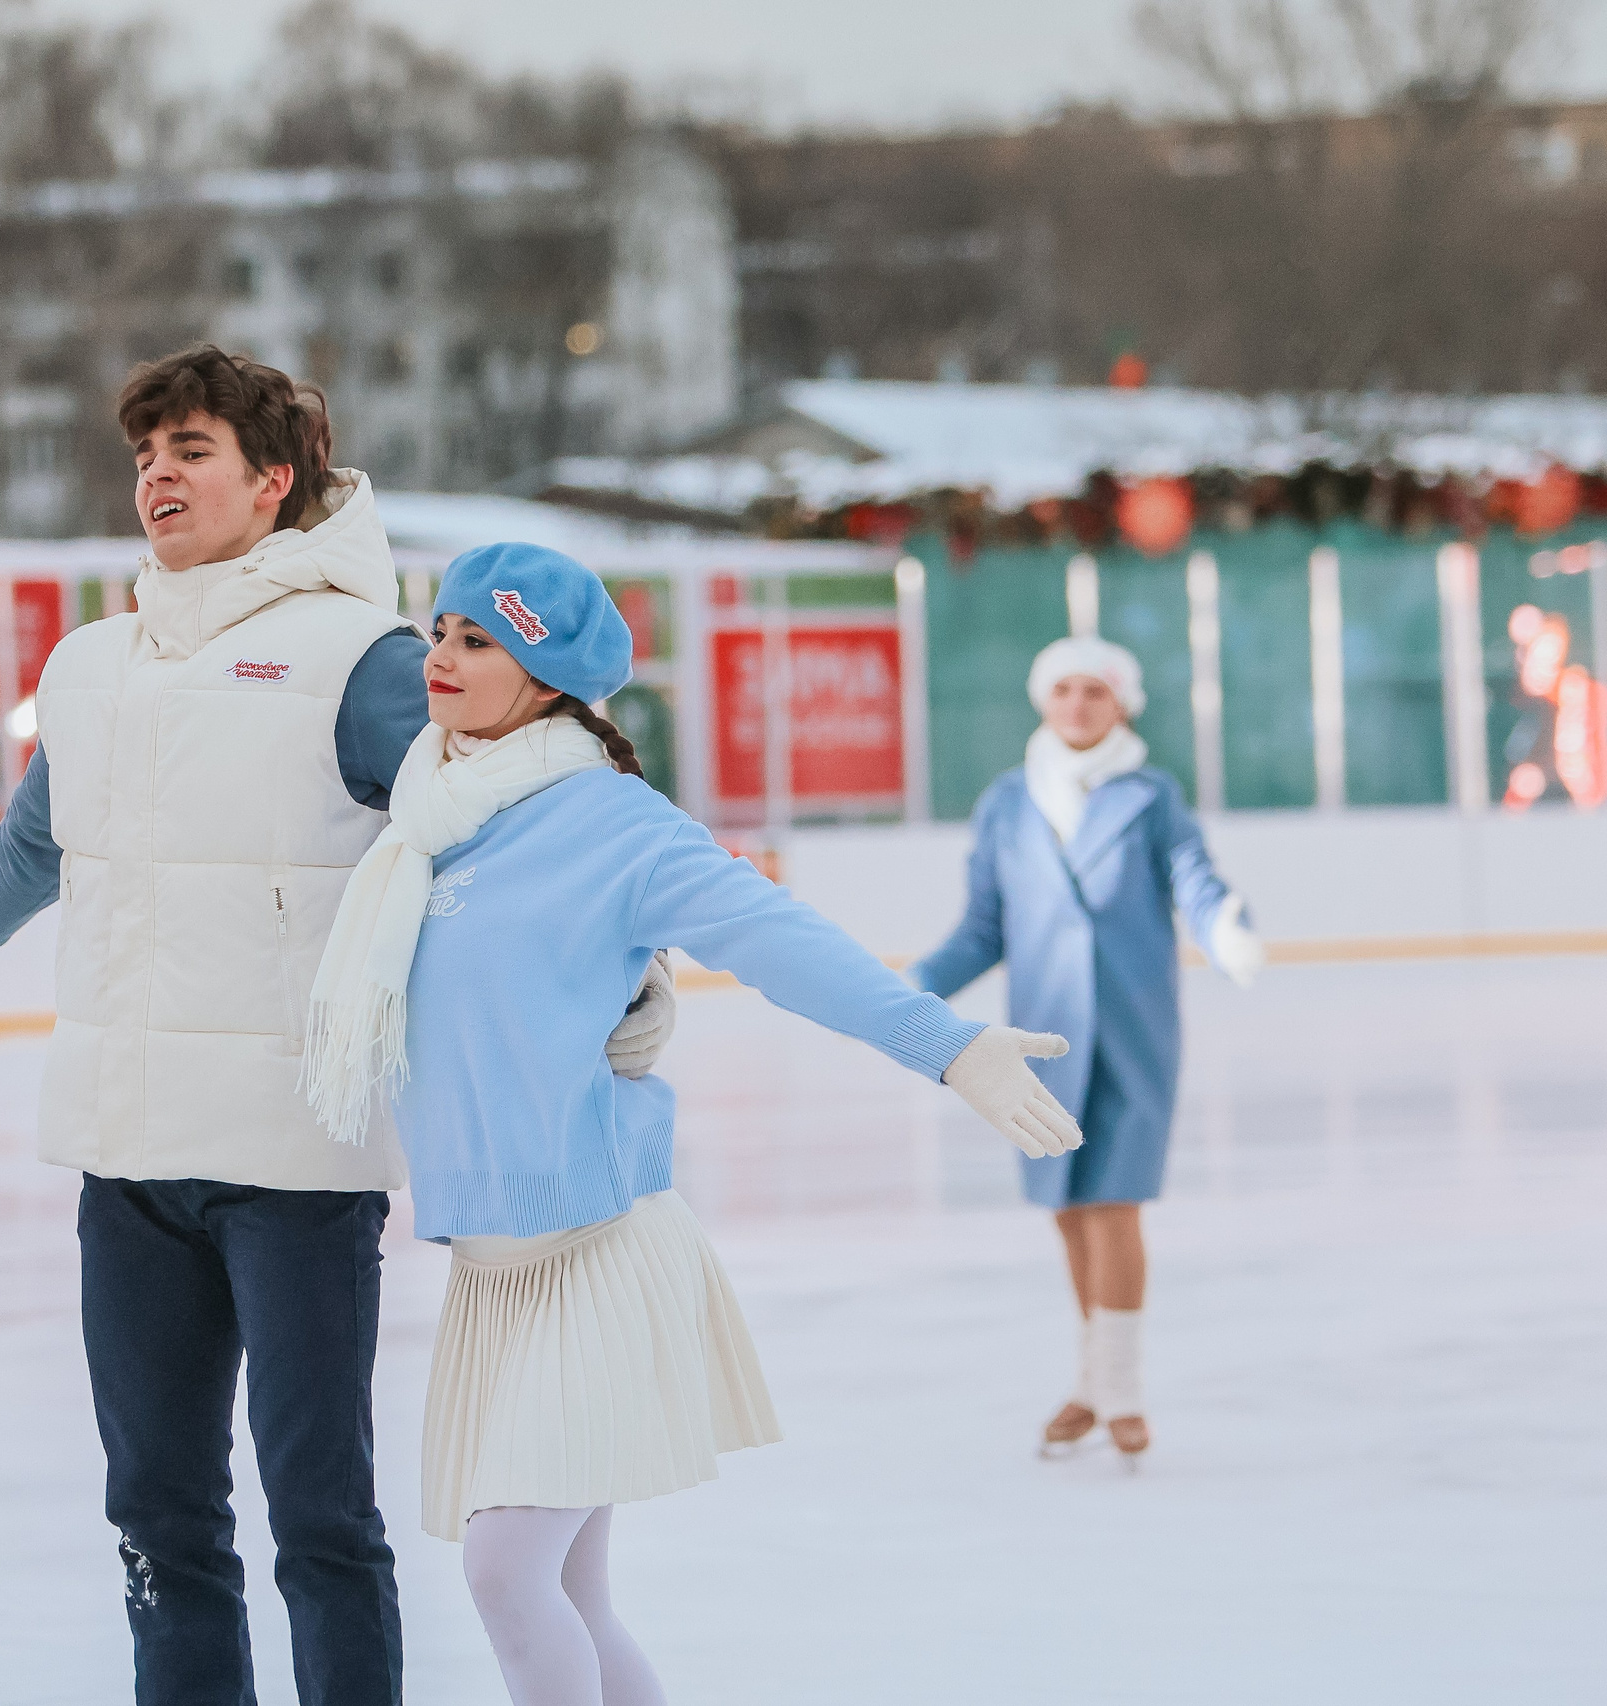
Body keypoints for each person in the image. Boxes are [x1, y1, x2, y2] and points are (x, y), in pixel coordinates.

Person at [0, 347, 673, 1706]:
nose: (157, 471)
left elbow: (515, 826)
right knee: (158, 1516)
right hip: (128, 1156)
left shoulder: (365, 658)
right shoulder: (93, 667)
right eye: (145, 452)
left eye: (193, 448)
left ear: (275, 481)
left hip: (295, 1165)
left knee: (320, 1515)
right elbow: (36, 849)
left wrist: (626, 981)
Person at [301, 542, 1080, 1706]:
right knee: (575, 1594)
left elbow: (780, 939)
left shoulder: (614, 822)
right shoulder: (427, 817)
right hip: (494, 1262)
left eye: (482, 640)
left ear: (551, 675)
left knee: (509, 1574)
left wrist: (946, 1042)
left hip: (596, 1245)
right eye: (443, 632)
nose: (444, 659)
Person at [909, 636, 1263, 1464]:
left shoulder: (1151, 795)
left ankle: (1123, 1390)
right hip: (1044, 1033)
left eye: (1094, 692)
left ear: (1122, 705)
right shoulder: (1007, 802)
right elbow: (985, 926)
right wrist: (917, 981)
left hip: (1134, 1030)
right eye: (1063, 689)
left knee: (1114, 1203)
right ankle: (1093, 1383)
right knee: (1069, 1206)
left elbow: (1195, 883)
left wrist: (1226, 931)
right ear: (1043, 699)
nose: (1077, 705)